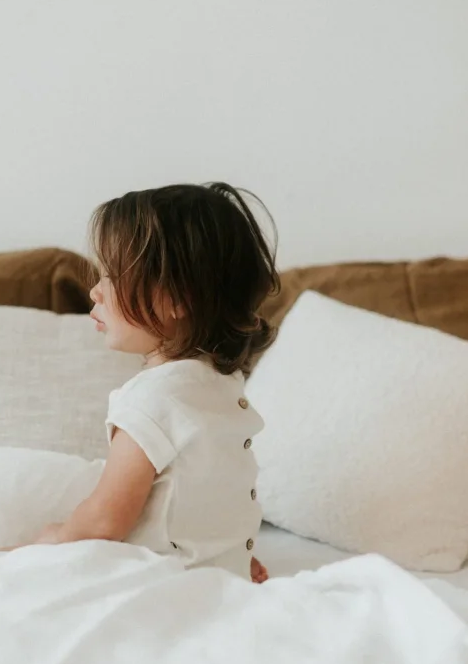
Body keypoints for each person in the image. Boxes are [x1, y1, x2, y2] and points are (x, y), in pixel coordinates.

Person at [24, 182, 279, 583]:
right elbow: (213, 493)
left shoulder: (150, 399)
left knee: (7, 564)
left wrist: (57, 537)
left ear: (176, 299)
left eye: (110, 276)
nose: (94, 291)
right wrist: (231, 556)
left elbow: (106, 519)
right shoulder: (222, 387)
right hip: (216, 582)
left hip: (159, 582)